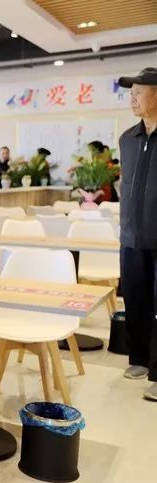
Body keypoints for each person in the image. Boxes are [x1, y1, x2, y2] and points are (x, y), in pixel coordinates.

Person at [116, 67, 157, 400]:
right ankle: (139, 358)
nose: (132, 98)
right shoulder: (127, 138)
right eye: (130, 93)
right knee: (135, 298)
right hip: (131, 235)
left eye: (139, 92)